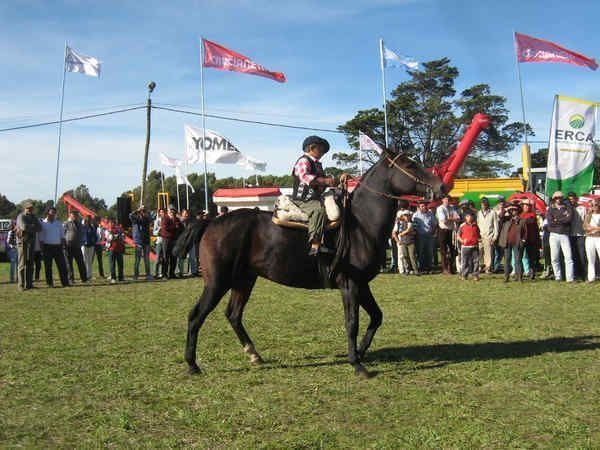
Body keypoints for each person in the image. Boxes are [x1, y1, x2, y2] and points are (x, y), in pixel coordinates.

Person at [292, 135, 339, 256]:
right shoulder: (304, 161)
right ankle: (315, 244)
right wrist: (325, 181)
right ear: (312, 148)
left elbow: (321, 183)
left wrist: (334, 181)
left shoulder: (317, 164)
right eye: (321, 149)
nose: (323, 152)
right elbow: (304, 177)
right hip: (303, 199)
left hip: (315, 197)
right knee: (319, 211)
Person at [547, 191, 574, 282]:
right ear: (554, 199)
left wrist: (557, 220)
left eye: (560, 198)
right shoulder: (550, 209)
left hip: (564, 235)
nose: (558, 199)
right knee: (554, 258)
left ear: (562, 198)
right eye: (556, 198)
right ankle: (558, 277)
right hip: (553, 235)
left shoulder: (567, 207)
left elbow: (569, 219)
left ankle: (570, 278)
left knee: (568, 257)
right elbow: (550, 222)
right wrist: (563, 219)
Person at [39, 207, 70, 287]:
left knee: (62, 265)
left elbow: (62, 236)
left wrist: (64, 247)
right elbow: (41, 238)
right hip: (47, 247)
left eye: (54, 213)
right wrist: (42, 250)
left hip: (58, 247)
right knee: (48, 267)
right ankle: (50, 283)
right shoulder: (43, 224)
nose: (53, 214)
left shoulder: (58, 223)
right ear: (47, 213)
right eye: (51, 212)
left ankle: (65, 282)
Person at [15, 202, 41, 291]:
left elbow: (40, 228)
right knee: (22, 264)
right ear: (24, 208)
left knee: (30, 264)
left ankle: (29, 284)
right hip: (22, 242)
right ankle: (21, 285)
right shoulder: (20, 216)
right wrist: (33, 226)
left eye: (31, 208)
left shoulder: (34, 217)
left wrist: (30, 227)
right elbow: (24, 227)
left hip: (31, 242)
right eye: (28, 208)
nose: (30, 210)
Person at [498, 203, 527, 282]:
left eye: (515, 210)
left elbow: (525, 232)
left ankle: (519, 277)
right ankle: (506, 277)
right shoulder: (506, 219)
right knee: (507, 260)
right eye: (512, 210)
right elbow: (500, 216)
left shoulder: (522, 221)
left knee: (518, 260)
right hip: (507, 243)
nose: (513, 211)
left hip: (517, 243)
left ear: (518, 211)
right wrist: (506, 209)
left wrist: (523, 240)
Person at [412, 200, 437, 274]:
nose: (424, 207)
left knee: (429, 252)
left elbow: (434, 224)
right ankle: (422, 268)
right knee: (420, 252)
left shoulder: (430, 214)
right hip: (420, 236)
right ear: (419, 207)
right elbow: (414, 227)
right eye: (422, 206)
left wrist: (433, 231)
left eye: (425, 206)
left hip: (429, 236)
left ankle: (429, 268)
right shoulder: (415, 215)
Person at [129, 205, 154, 280]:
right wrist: (138, 210)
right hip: (138, 241)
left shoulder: (147, 218)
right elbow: (130, 215)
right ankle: (136, 275)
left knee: (147, 259)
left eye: (144, 211)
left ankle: (148, 274)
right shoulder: (135, 219)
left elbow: (152, 217)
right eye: (142, 212)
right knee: (137, 259)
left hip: (146, 241)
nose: (143, 213)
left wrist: (146, 211)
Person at [436, 195, 459, 274]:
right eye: (446, 199)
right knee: (443, 251)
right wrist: (452, 218)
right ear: (442, 200)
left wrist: (450, 218)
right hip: (443, 231)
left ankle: (451, 268)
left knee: (453, 250)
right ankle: (444, 268)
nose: (447, 201)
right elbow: (444, 220)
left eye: (448, 199)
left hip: (451, 231)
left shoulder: (451, 207)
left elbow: (458, 218)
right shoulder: (440, 208)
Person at [567, 192, 587, 281]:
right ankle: (576, 274)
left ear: (576, 199)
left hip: (581, 235)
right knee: (573, 255)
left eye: (573, 199)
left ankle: (584, 274)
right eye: (570, 199)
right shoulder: (567, 209)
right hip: (570, 235)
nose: (571, 201)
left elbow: (586, 220)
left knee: (582, 255)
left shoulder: (582, 208)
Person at [63, 210, 87, 283]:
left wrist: (82, 241)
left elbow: (82, 233)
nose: (75, 216)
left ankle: (84, 278)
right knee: (69, 264)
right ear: (70, 215)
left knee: (81, 263)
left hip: (77, 246)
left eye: (76, 215)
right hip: (68, 246)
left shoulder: (79, 223)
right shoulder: (66, 223)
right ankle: (71, 279)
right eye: (74, 215)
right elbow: (62, 234)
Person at [393, 210, 419, 275]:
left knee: (412, 256)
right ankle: (407, 270)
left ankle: (415, 270)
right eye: (405, 215)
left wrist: (403, 233)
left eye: (407, 215)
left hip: (411, 242)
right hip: (403, 242)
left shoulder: (413, 223)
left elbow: (414, 232)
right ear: (403, 216)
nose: (406, 217)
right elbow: (394, 232)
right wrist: (398, 241)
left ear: (409, 216)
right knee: (405, 256)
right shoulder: (399, 223)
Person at [477, 197, 498, 274]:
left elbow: (496, 226)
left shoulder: (493, 213)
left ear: (487, 205)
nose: (484, 206)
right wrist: (477, 236)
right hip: (480, 236)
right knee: (479, 252)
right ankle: (480, 266)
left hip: (489, 236)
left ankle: (487, 268)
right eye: (482, 205)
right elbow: (477, 224)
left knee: (488, 253)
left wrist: (495, 236)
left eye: (485, 205)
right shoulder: (479, 213)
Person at [520, 199, 541, 279]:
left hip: (531, 239)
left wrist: (537, 240)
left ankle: (532, 273)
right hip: (522, 239)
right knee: (520, 257)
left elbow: (535, 228)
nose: (526, 207)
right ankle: (520, 273)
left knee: (531, 257)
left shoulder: (532, 215)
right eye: (525, 205)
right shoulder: (521, 215)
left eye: (528, 205)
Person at [457, 211, 481, 281]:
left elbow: (478, 235)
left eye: (470, 216)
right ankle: (464, 275)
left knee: (476, 261)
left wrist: (478, 240)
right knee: (465, 261)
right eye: (467, 216)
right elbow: (458, 235)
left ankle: (475, 275)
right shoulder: (462, 226)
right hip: (465, 247)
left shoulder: (475, 225)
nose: (469, 218)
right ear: (465, 217)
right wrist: (462, 241)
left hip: (474, 246)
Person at [160, 205, 182, 279]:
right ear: (168, 210)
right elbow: (165, 227)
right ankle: (164, 274)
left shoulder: (176, 219)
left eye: (174, 210)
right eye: (171, 210)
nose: (172, 211)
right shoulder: (165, 218)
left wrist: (178, 223)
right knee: (165, 257)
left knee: (174, 257)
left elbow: (181, 227)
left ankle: (172, 273)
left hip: (174, 239)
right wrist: (174, 227)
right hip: (166, 240)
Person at [583, 199, 600, 283]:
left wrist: (593, 228)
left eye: (596, 205)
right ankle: (591, 278)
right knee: (590, 258)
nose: (594, 207)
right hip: (590, 238)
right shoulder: (588, 215)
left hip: (598, 238)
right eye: (592, 205)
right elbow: (585, 227)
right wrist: (594, 228)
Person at [178, 209, 198, 277]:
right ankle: (181, 272)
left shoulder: (191, 221)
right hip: (182, 242)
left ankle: (193, 272)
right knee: (181, 258)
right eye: (185, 213)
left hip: (191, 242)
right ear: (182, 214)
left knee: (192, 258)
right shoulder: (179, 222)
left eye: (187, 213)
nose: (186, 214)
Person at [80, 215, 97, 280]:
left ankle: (89, 275)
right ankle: (84, 275)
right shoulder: (82, 227)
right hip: (84, 245)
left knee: (89, 261)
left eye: (89, 219)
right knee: (84, 260)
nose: (89, 220)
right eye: (87, 219)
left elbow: (95, 236)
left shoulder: (92, 227)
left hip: (91, 245)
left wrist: (94, 242)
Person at [153, 208, 165, 278]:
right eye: (161, 212)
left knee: (164, 258)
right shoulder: (157, 221)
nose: (162, 213)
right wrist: (159, 230)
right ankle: (155, 273)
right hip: (159, 241)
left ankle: (162, 273)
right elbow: (154, 232)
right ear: (159, 213)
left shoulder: (166, 220)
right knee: (157, 258)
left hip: (165, 241)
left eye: (163, 212)